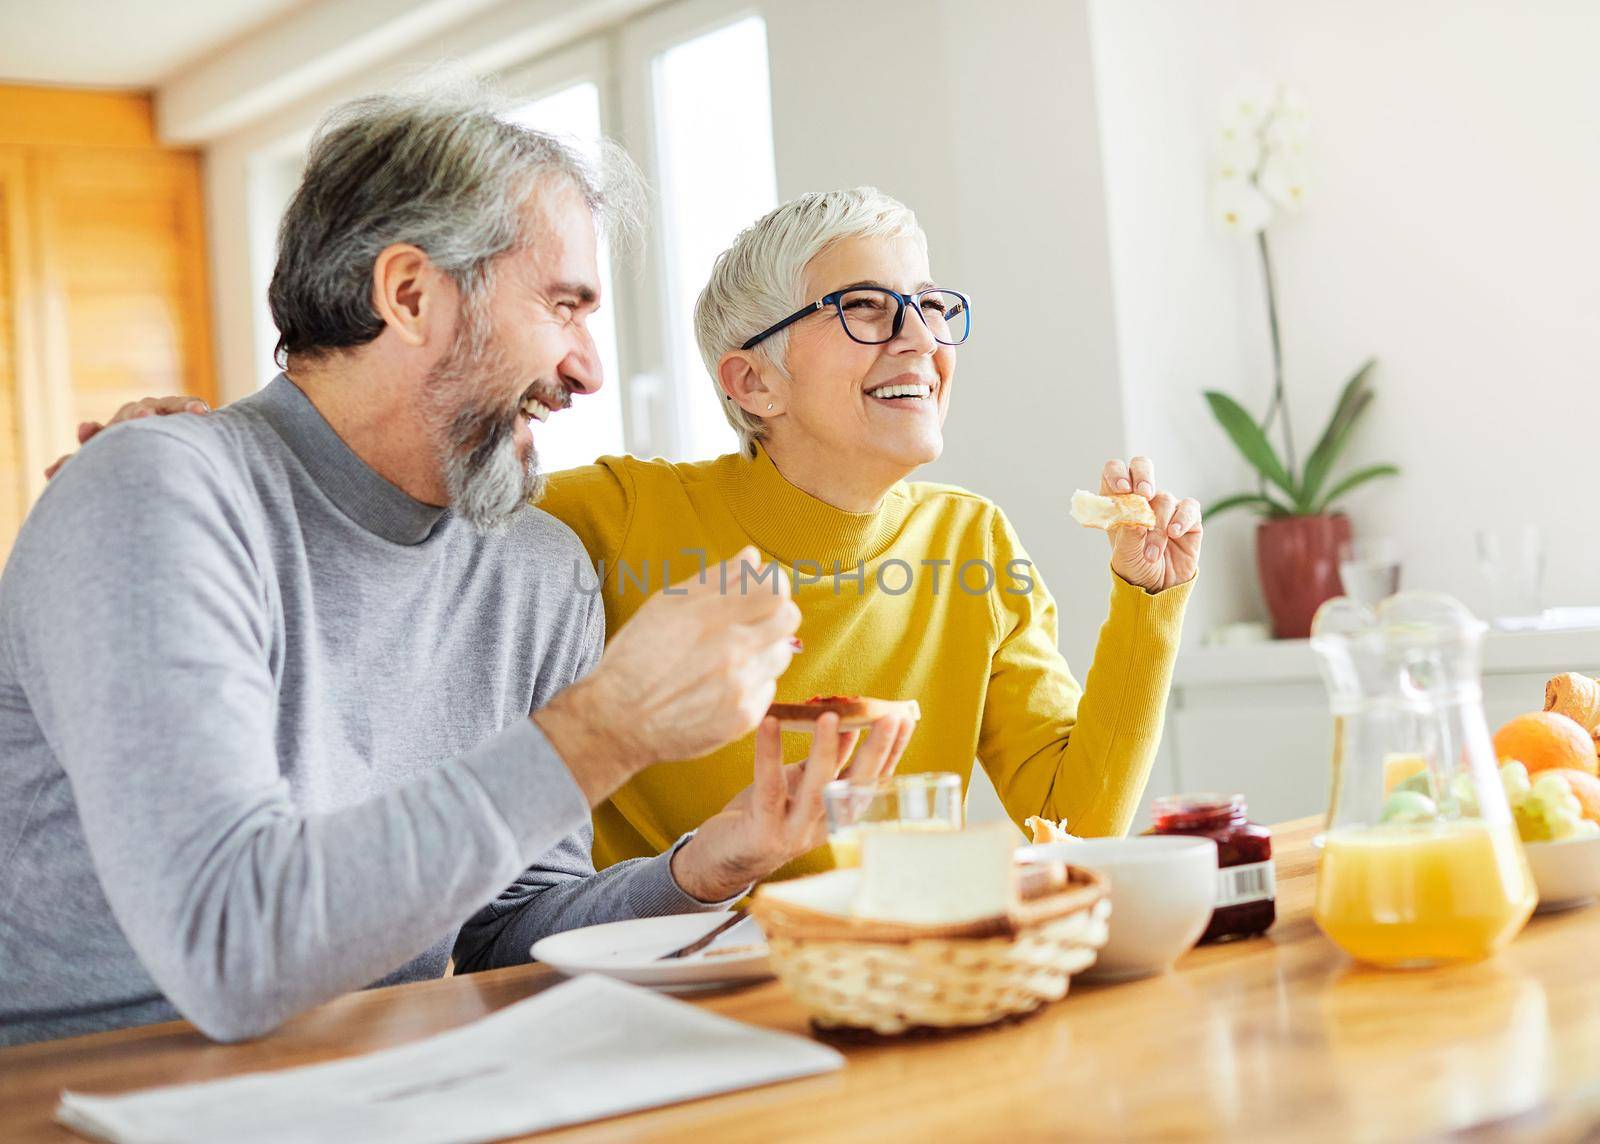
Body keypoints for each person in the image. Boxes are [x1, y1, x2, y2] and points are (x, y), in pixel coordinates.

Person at [0, 90, 912, 1048]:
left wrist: (708, 869)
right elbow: (236, 950)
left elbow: (504, 936)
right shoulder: (159, 492)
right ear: (408, 295)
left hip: (365, 1077)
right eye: (564, 306)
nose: (591, 370)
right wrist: (611, 725)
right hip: (75, 1090)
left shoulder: (533, 569)